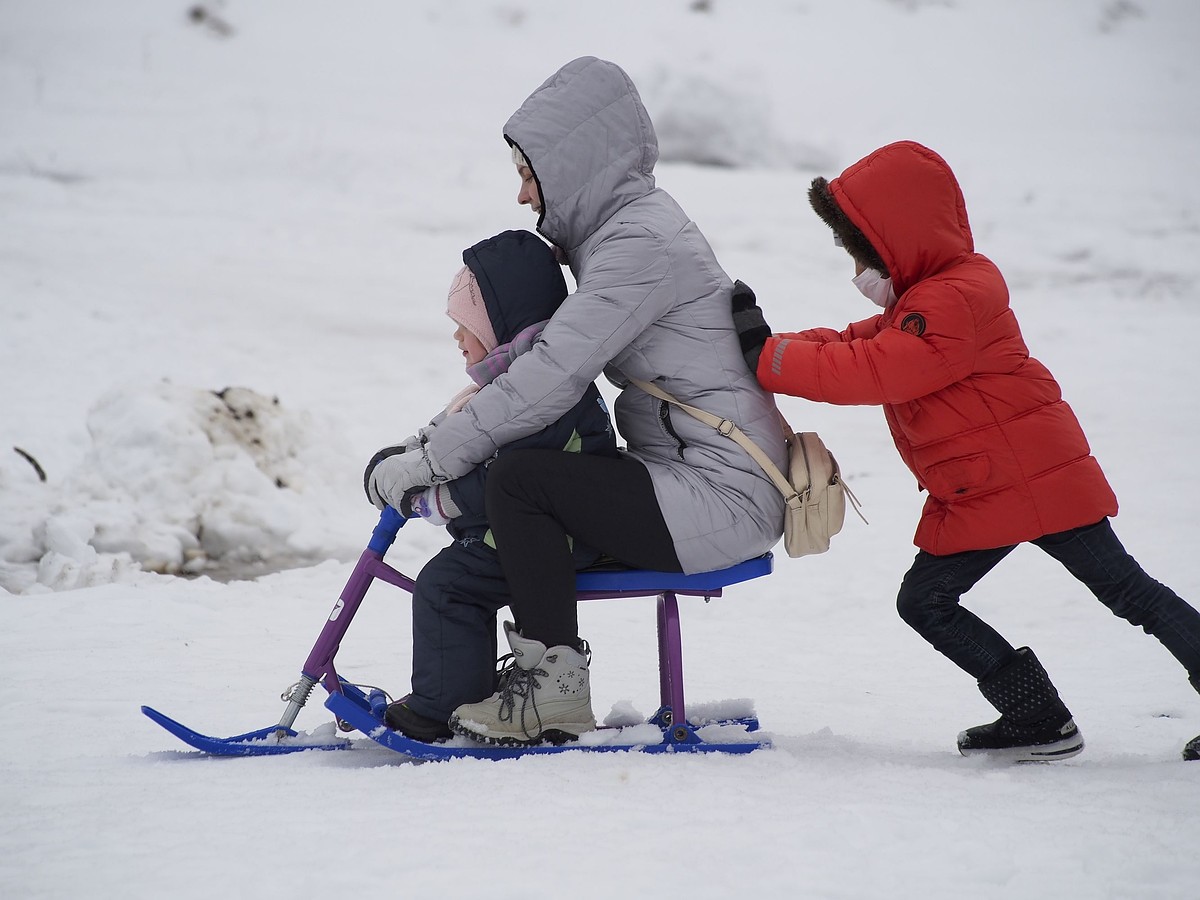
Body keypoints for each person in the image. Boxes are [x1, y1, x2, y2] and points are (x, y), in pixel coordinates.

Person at [364, 56, 787, 746]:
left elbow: (553, 372)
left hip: (721, 492)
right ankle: (476, 685)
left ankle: (551, 693)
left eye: (528, 175)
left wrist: (435, 462)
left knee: (523, 481)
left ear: (573, 164)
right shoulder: (627, 234)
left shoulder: (639, 244)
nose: (525, 197)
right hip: (693, 476)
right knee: (530, 484)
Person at [735, 139, 1200, 762]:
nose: (856, 269)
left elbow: (875, 368)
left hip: (1020, 481)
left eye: (861, 252)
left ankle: (1037, 717)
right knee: (1122, 592)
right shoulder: (933, 294)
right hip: (1000, 482)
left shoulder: (949, 300)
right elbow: (852, 340)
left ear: (898, 241)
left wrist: (766, 358)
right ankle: (1037, 716)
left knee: (957, 600)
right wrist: (769, 343)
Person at [365, 229, 618, 743]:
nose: (457, 338)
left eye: (466, 325)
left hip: (557, 541)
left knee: (448, 586)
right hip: (534, 533)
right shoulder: (514, 384)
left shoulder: (546, 393)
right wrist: (408, 460)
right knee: (457, 578)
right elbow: (462, 439)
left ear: (500, 323)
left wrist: (439, 501)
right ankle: (465, 694)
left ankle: (443, 707)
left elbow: (507, 479)